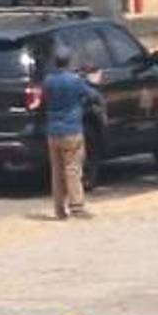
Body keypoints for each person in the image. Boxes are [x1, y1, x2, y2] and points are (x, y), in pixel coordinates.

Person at [43, 48, 102, 220]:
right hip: (72, 129)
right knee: (73, 169)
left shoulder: (49, 81)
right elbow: (93, 96)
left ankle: (59, 209)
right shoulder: (75, 81)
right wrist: (91, 82)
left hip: (53, 131)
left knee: (57, 171)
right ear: (69, 62)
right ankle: (77, 206)